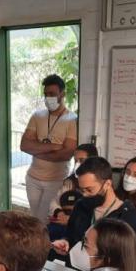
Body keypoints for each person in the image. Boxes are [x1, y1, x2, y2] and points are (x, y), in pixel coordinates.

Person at [52, 157, 136, 266]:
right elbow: (69, 235)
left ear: (107, 184)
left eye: (89, 190)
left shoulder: (130, 218)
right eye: (82, 190)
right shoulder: (81, 205)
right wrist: (65, 242)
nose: (84, 195)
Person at [20, 74, 78, 222]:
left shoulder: (72, 120)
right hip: (32, 178)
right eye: (46, 94)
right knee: (35, 217)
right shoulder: (37, 116)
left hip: (56, 181)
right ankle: (37, 244)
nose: (48, 98)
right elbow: (24, 145)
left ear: (62, 94)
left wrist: (37, 150)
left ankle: (43, 245)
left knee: (45, 220)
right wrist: (53, 146)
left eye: (52, 94)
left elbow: (66, 154)